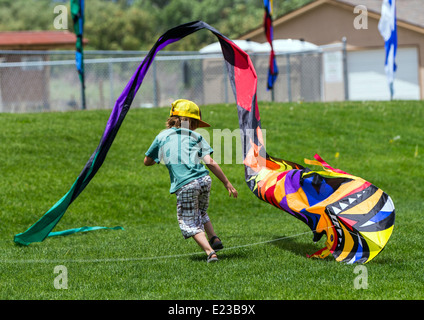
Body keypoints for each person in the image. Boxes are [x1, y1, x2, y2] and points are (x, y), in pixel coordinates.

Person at [144, 99, 238, 263]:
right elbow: (210, 162)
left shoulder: (162, 137)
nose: (195, 127)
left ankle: (210, 252)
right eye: (195, 123)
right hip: (204, 179)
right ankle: (214, 237)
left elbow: (147, 161)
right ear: (191, 123)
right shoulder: (196, 136)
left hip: (186, 184)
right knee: (201, 212)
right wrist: (226, 182)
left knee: (188, 221)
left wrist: (156, 158)